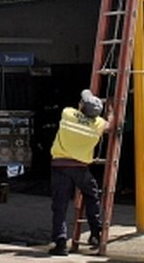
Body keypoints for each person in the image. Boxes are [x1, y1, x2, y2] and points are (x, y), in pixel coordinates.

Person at [48, 89, 108, 256]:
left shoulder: (67, 113)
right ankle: (96, 232)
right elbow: (111, 125)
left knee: (59, 205)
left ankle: (60, 242)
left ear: (80, 106)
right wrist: (111, 113)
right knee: (92, 195)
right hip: (81, 168)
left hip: (60, 165)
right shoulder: (98, 124)